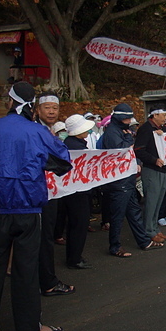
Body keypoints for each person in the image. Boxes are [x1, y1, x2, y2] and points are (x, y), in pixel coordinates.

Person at [0, 81, 71, 331]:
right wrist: (41, 160)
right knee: (25, 269)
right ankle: (30, 329)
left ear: (10, 102)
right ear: (33, 107)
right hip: (28, 208)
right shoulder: (37, 132)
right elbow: (63, 163)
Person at [102, 103, 164, 257]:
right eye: (126, 118)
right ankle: (115, 246)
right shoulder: (112, 132)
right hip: (118, 180)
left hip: (127, 179)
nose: (129, 121)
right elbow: (119, 151)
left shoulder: (122, 130)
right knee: (118, 216)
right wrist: (130, 140)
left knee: (134, 211)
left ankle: (143, 241)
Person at [34, 91, 76, 296]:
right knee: (43, 238)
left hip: (50, 190)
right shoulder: (37, 131)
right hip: (39, 193)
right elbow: (59, 162)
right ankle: (48, 282)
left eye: (55, 108)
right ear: (37, 109)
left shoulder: (49, 131)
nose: (51, 112)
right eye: (47, 108)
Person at [62, 114, 95, 269]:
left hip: (74, 190)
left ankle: (73, 256)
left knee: (74, 224)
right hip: (78, 191)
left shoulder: (70, 143)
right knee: (79, 224)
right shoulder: (76, 146)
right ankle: (75, 258)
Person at [134, 104, 166, 243]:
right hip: (151, 169)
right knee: (151, 201)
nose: (165, 118)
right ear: (155, 115)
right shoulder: (146, 129)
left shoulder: (160, 129)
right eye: (163, 115)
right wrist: (153, 160)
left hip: (162, 169)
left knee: (158, 200)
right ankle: (148, 230)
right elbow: (139, 150)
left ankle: (154, 228)